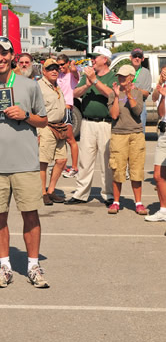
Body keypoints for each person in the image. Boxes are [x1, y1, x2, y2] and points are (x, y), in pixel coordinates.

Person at [0, 36, 49, 288]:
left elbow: (44, 120)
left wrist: (26, 115)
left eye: (3, 53)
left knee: (30, 214)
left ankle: (33, 266)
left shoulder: (29, 86)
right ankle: (4, 266)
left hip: (26, 163)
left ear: (12, 56)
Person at [65, 46, 115, 206]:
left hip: (105, 124)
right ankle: (81, 193)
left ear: (105, 60)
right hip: (87, 122)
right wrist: (87, 84)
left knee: (106, 160)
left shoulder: (112, 76)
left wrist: (95, 81)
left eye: (96, 57)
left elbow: (113, 94)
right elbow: (74, 93)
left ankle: (108, 194)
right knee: (85, 160)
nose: (92, 59)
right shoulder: (87, 76)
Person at [107, 64, 147, 215]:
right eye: (120, 76)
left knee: (136, 169)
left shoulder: (138, 93)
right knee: (117, 169)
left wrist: (129, 94)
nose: (121, 78)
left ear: (131, 77)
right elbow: (114, 115)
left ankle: (138, 203)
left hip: (136, 134)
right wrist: (117, 96)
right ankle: (116, 202)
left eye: (124, 76)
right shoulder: (113, 94)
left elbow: (137, 111)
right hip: (118, 134)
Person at [37, 58, 67, 205]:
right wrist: (37, 132)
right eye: (50, 69)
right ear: (44, 71)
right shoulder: (39, 86)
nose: (54, 71)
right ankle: (43, 193)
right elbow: (33, 110)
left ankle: (51, 190)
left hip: (59, 126)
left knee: (62, 160)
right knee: (43, 162)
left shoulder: (57, 85)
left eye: (56, 68)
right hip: (45, 127)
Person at [145, 66, 166, 222]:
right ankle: (163, 210)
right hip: (164, 133)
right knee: (158, 175)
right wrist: (163, 95)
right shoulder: (163, 87)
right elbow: (160, 113)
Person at [56, 53, 79, 178]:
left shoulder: (71, 75)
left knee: (70, 139)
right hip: (57, 109)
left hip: (67, 109)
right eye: (58, 65)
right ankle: (63, 167)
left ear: (67, 63)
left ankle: (74, 167)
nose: (60, 67)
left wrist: (72, 67)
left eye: (62, 65)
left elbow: (75, 73)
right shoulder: (58, 75)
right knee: (60, 139)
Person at [129, 48, 152, 131]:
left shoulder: (146, 72)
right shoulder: (125, 70)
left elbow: (146, 93)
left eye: (139, 56)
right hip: (125, 103)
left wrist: (135, 89)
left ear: (142, 59)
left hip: (140, 104)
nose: (137, 58)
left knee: (140, 133)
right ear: (130, 57)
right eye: (135, 56)